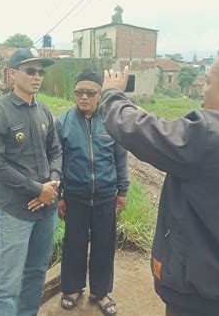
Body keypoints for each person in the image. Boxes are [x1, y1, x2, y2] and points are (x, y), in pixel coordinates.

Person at [98, 41, 219, 316]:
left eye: (208, 83)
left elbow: (140, 132)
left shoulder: (213, 136)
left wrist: (111, 97)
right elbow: (172, 136)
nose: (203, 91)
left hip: (204, 296)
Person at [0, 47, 62, 316]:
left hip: (47, 208)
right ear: (13, 74)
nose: (37, 76)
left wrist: (52, 182)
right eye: (30, 71)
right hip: (15, 211)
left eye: (41, 71)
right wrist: (37, 189)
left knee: (36, 272)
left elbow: (56, 151)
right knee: (7, 282)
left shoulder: (44, 110)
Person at [56, 68, 130, 315]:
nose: (84, 97)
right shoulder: (63, 122)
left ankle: (100, 292)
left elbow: (121, 158)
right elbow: (58, 160)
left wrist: (123, 190)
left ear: (100, 94)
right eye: (79, 92)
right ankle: (73, 288)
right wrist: (59, 196)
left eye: (90, 92)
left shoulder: (111, 121)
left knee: (103, 245)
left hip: (106, 195)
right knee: (74, 244)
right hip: (75, 196)